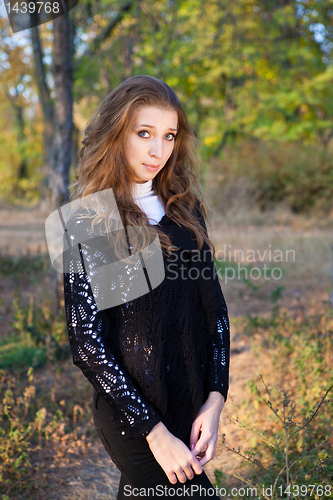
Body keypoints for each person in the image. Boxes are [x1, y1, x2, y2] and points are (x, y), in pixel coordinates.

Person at [63, 75, 230, 499]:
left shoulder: (185, 209)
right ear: (117, 135)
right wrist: (154, 434)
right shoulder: (89, 220)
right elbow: (87, 343)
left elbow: (216, 312)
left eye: (169, 136)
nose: (159, 150)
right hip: (133, 417)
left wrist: (215, 399)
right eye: (144, 134)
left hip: (188, 401)